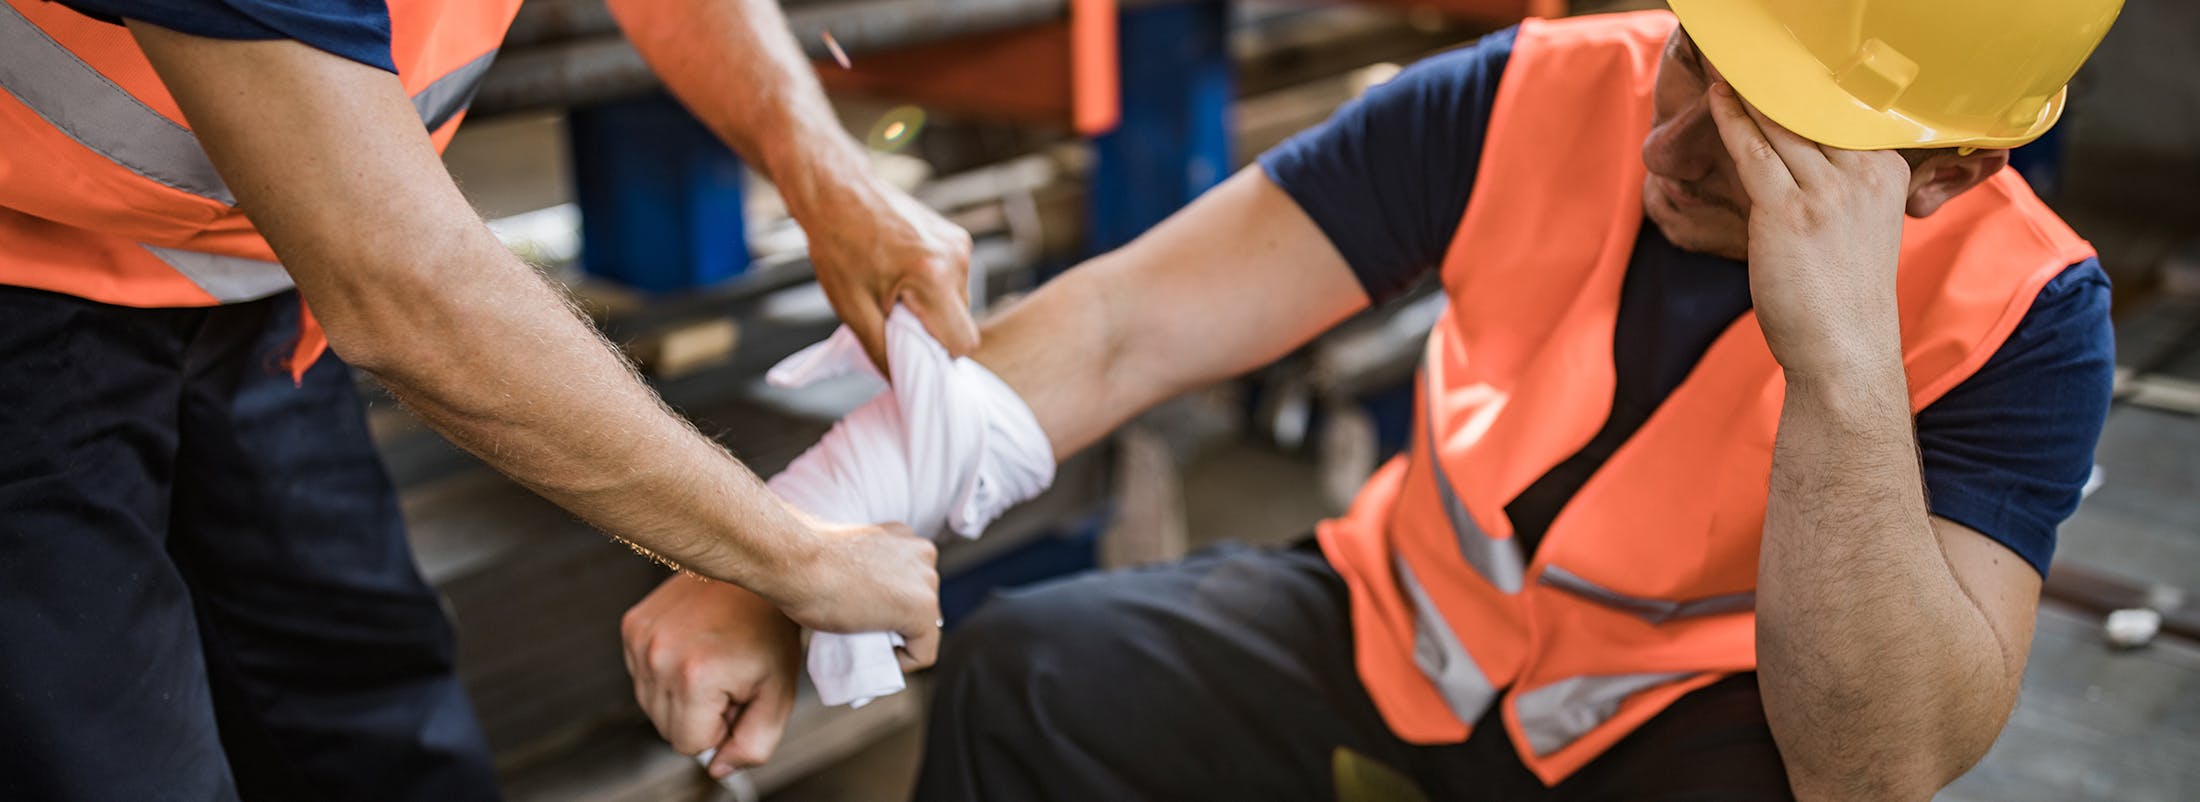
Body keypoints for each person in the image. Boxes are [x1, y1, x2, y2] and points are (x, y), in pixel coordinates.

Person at [621, 0, 2124, 798]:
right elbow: (1130, 323)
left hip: (1679, 735)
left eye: (1768, 139)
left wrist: (1844, 363)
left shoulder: (2029, 317)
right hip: (1403, 631)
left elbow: (1878, 769)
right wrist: (784, 547)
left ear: (1944, 173)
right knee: (1035, 680)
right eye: (1695, 56)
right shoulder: (1531, 94)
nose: (1670, 140)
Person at [0, 0, 977, 798]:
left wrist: (828, 179)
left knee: (369, 705)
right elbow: (407, 288)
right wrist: (792, 554)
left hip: (253, 271)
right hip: (26, 265)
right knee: (102, 754)